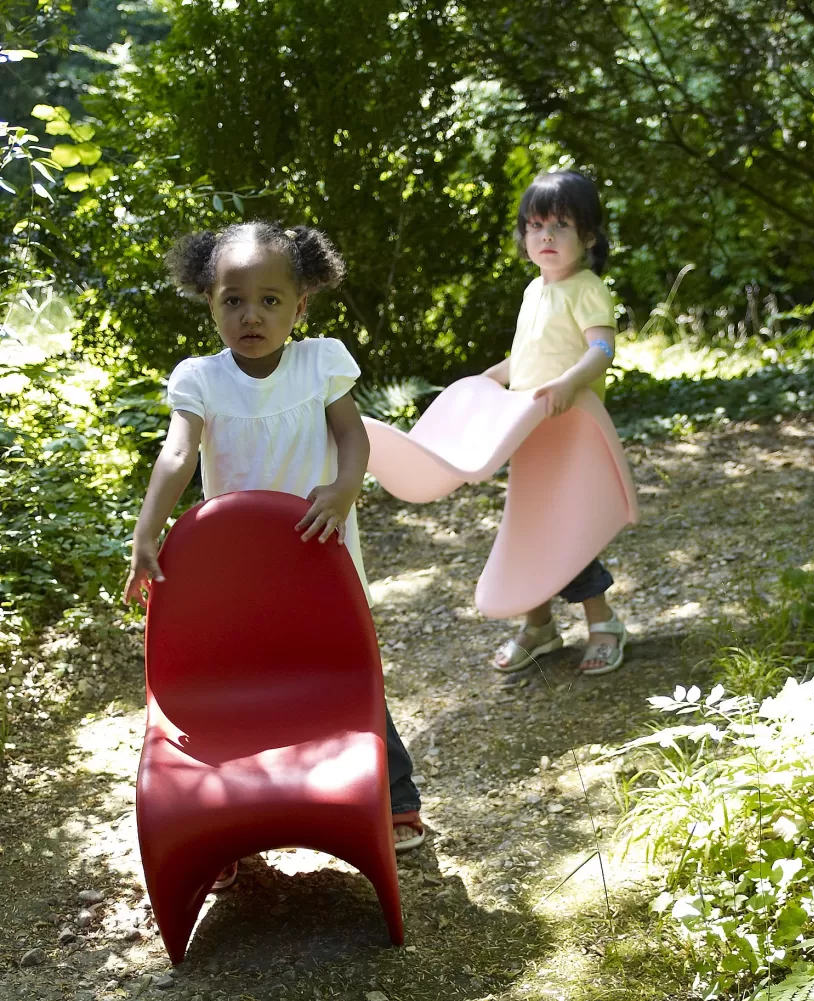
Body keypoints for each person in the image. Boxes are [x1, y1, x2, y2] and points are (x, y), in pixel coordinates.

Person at [123, 221, 424, 889]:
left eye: (268, 299)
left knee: (347, 668)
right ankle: (229, 823)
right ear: (209, 303)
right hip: (241, 572)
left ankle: (396, 796)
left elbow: (352, 436)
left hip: (319, 550)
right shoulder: (200, 379)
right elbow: (178, 453)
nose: (250, 314)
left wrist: (346, 487)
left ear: (299, 306)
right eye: (233, 300)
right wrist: (148, 529)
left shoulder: (321, 362)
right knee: (241, 682)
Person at [483, 170, 627, 676]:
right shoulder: (533, 292)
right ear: (523, 235)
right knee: (528, 528)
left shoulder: (586, 288)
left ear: (587, 236)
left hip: (571, 432)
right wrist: (493, 377)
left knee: (564, 532)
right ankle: (539, 626)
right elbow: (527, 358)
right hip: (531, 434)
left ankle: (603, 621)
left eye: (561, 224)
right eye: (536, 224)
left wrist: (570, 383)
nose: (546, 235)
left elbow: (601, 350)